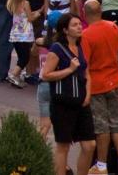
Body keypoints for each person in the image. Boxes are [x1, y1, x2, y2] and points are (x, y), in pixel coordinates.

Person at [41, 13, 96, 175]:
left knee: (90, 145)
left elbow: (86, 73)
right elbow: (46, 75)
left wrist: (88, 94)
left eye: (80, 24)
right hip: (62, 103)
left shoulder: (80, 46)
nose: (79, 27)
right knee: (63, 146)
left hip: (81, 102)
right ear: (65, 30)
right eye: (74, 25)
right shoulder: (56, 49)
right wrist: (69, 70)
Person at [80, 0, 118, 174]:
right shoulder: (113, 27)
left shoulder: (86, 35)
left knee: (101, 127)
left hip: (97, 84)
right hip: (115, 80)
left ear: (85, 14)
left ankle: (102, 165)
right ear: (100, 11)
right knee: (117, 123)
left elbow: (85, 62)